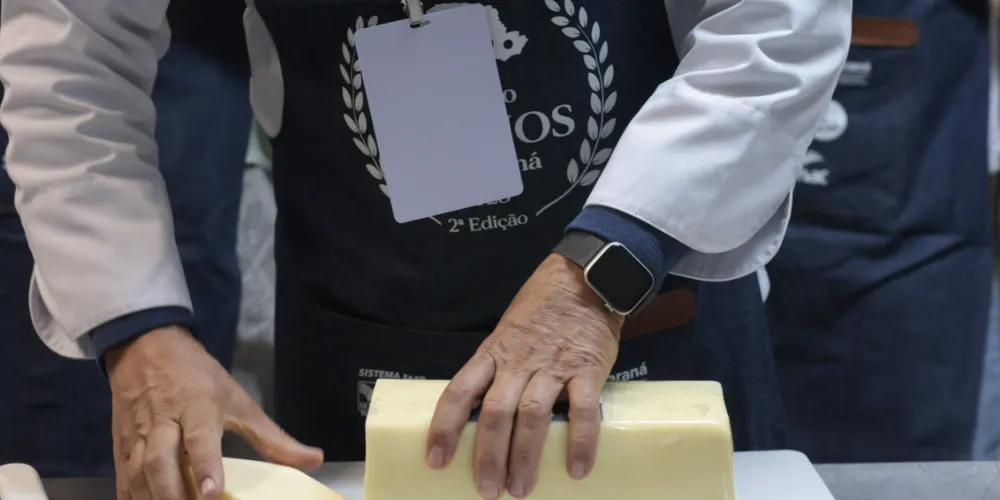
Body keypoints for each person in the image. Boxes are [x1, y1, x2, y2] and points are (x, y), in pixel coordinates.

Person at [0, 1, 850, 500]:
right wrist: (135, 325)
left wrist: (603, 271)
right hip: (361, 324)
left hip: (650, 312)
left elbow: (773, 30)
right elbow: (71, 58)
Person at [0, 0, 250, 476]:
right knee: (74, 447)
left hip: (220, 71)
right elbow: (69, 52)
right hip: (92, 89)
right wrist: (134, 322)